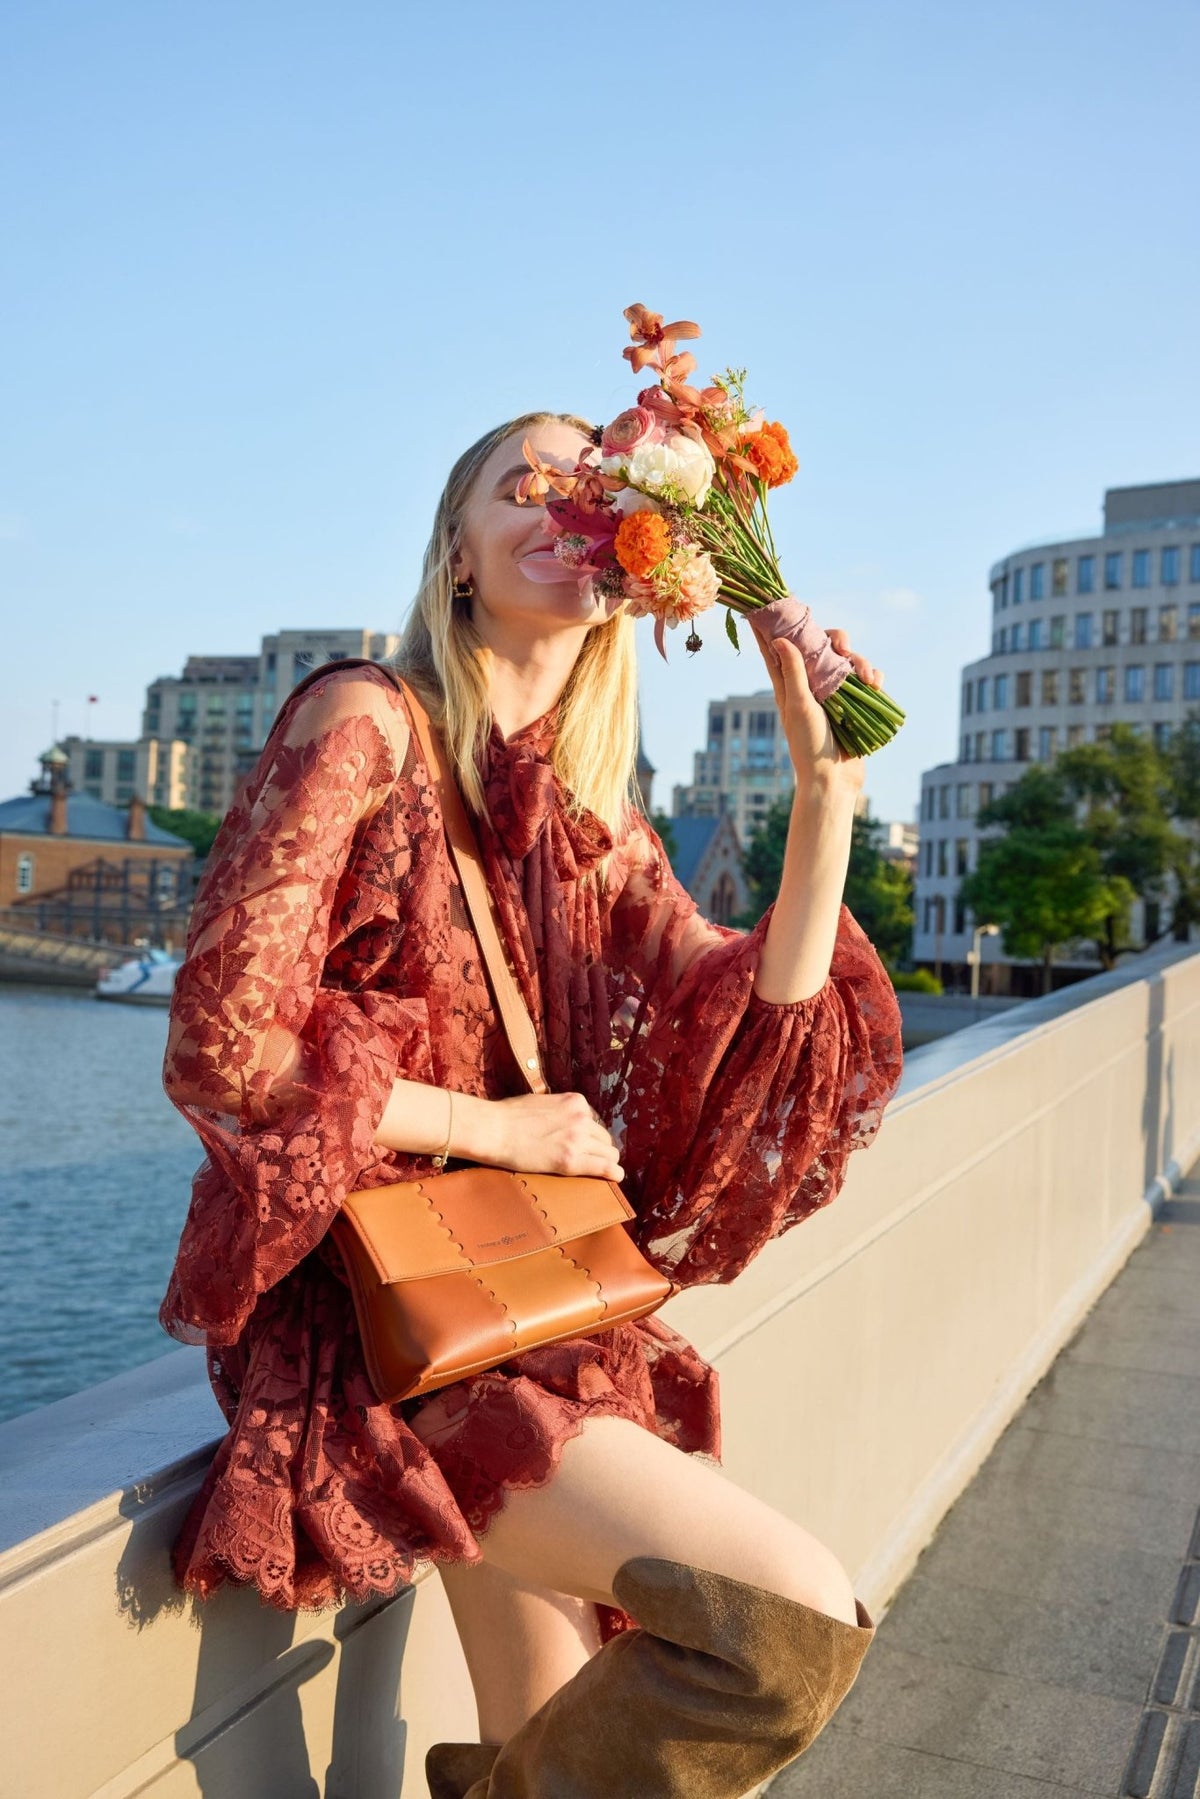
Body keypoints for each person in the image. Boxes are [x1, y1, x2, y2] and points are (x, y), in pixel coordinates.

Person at [158, 409, 905, 1797]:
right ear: (457, 549)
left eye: (592, 489)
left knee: (539, 1751)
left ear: (636, 568)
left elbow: (748, 1024)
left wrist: (828, 788)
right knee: (787, 1622)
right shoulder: (365, 721)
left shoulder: (588, 821)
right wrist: (499, 1125)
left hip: (521, 1306)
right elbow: (221, 1041)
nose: (561, 505)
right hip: (379, 1321)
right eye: (522, 486)